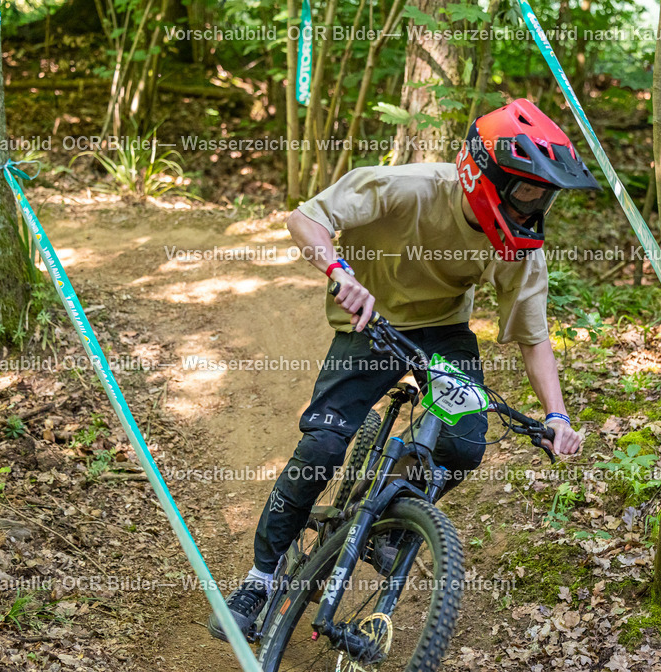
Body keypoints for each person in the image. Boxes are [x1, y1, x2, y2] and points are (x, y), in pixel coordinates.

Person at [207, 98, 600, 641]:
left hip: (442, 332)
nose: (534, 207)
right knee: (322, 447)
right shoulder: (405, 188)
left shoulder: (519, 248)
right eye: (527, 192)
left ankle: (390, 510)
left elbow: (534, 339)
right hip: (369, 322)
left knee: (464, 446)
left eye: (544, 196)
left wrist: (557, 416)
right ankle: (261, 578)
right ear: (486, 176)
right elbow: (304, 218)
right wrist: (339, 272)